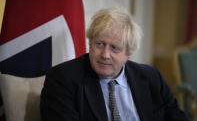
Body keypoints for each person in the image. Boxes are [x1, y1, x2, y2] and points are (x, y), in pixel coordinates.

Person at [40, 8, 190, 121]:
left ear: (128, 54)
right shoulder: (62, 79)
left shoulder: (151, 78)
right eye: (99, 44)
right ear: (90, 43)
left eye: (114, 48)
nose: (105, 55)